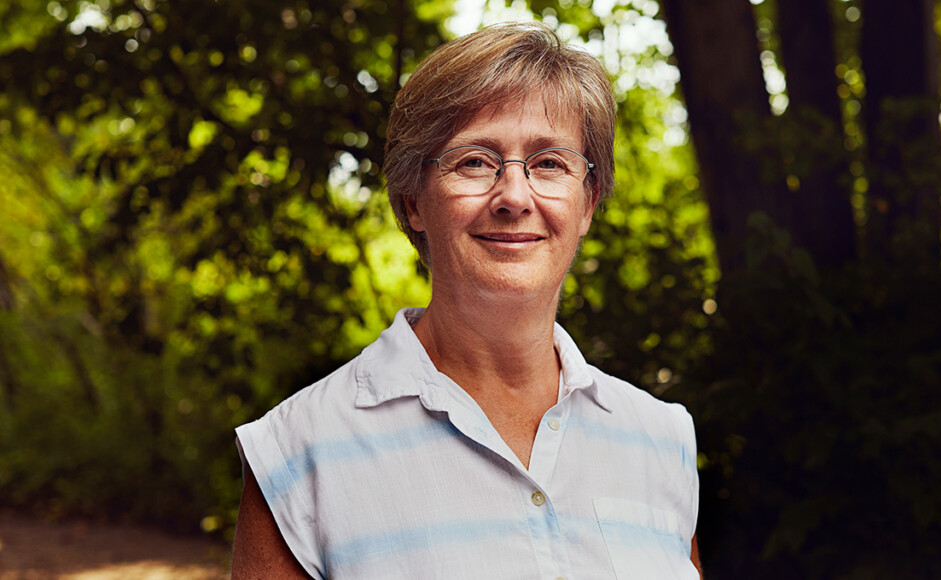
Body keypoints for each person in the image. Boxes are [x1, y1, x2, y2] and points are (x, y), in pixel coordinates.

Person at [231, 21, 701, 579]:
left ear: (588, 202)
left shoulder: (660, 439)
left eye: (550, 163)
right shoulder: (296, 454)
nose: (514, 196)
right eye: (474, 161)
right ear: (412, 202)